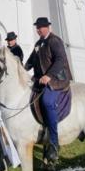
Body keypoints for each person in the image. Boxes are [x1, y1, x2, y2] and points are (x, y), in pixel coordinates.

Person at [24, 17, 73, 162]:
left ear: (47, 27)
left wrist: (49, 76)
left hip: (57, 80)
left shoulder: (54, 40)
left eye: (40, 27)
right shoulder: (39, 43)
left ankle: (53, 142)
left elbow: (60, 60)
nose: (38, 29)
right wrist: (21, 69)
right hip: (41, 80)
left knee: (47, 101)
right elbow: (31, 61)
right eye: (37, 27)